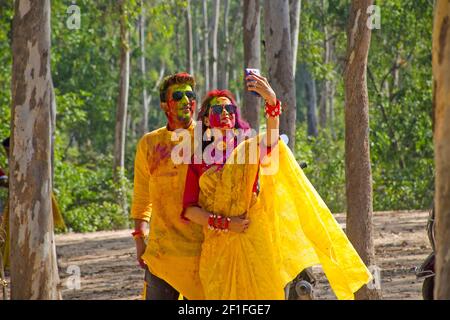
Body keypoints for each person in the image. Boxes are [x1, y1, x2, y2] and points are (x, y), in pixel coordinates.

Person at [181, 71, 373, 300]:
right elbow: (189, 209)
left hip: (254, 239)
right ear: (205, 119)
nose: (225, 113)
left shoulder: (249, 148)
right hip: (217, 248)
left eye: (230, 109)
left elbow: (272, 140)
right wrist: (224, 224)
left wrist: (272, 102)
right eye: (217, 110)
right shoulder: (198, 159)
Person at [130, 72, 205, 300]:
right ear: (165, 105)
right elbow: (142, 196)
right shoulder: (149, 144)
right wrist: (139, 237)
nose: (186, 101)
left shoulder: (209, 138)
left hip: (201, 252)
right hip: (161, 254)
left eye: (190, 95)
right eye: (179, 95)